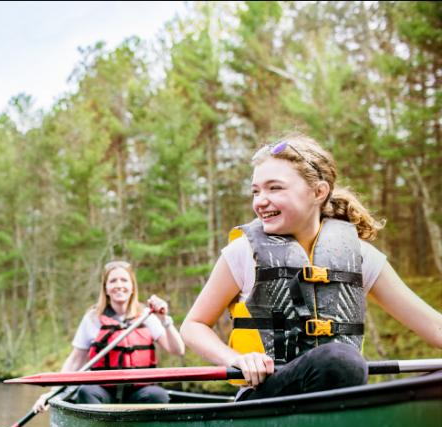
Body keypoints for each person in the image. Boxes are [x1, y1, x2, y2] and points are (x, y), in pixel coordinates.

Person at [180, 133, 442, 400]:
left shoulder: (359, 256)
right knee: (338, 360)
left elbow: (435, 328)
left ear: (318, 192)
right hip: (266, 396)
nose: (260, 201)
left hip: (339, 391)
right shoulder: (242, 253)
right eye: (256, 191)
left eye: (275, 188)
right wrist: (236, 359)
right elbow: (193, 326)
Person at [33, 260, 185, 412]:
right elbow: (75, 360)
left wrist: (165, 319)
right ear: (106, 288)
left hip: (138, 392)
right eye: (113, 281)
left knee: (157, 395)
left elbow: (178, 350)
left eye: (124, 280)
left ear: (132, 287)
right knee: (86, 391)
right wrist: (53, 392)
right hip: (103, 391)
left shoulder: (147, 316)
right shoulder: (93, 318)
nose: (119, 285)